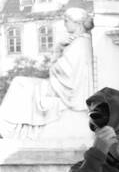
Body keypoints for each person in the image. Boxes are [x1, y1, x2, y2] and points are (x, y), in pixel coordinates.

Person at [0, 7, 95, 139]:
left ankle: (9, 127)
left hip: (63, 89)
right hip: (62, 86)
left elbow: (60, 70)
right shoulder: (80, 42)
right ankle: (12, 127)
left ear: (77, 23)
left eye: (66, 21)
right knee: (19, 82)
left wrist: (57, 50)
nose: (64, 24)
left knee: (19, 83)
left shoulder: (79, 44)